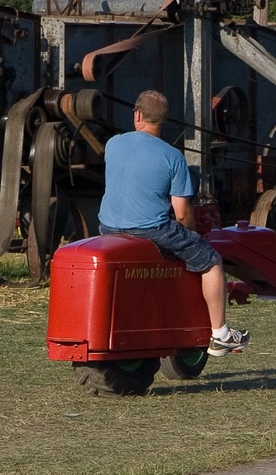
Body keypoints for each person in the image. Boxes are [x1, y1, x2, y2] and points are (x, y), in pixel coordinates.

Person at [98, 90, 249, 357]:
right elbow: (181, 213)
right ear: (162, 121)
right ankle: (221, 334)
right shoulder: (173, 157)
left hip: (107, 228)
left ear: (137, 115)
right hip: (151, 230)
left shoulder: (113, 144)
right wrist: (191, 234)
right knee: (211, 261)